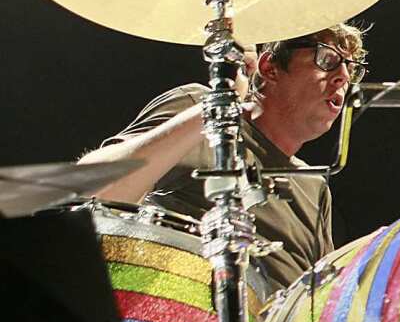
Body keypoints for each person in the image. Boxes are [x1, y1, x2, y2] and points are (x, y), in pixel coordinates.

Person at [78, 23, 367, 286]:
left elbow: (321, 303)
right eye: (327, 59)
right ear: (269, 68)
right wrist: (216, 108)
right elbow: (92, 191)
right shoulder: (200, 108)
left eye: (351, 69)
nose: (343, 76)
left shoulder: (315, 187)